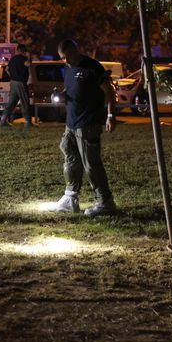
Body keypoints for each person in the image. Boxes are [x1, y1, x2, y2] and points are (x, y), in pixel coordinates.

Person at [49, 39, 117, 217]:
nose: (65, 61)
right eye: (62, 59)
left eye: (66, 57)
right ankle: (70, 198)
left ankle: (105, 201)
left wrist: (110, 116)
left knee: (91, 163)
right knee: (70, 158)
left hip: (88, 123)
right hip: (71, 123)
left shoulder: (92, 67)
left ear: (74, 51)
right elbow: (72, 90)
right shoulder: (68, 69)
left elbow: (109, 92)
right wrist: (62, 96)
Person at [0, 43, 33, 128]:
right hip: (20, 82)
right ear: (23, 51)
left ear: (17, 50)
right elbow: (28, 64)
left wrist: (12, 76)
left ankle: (3, 120)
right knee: (25, 101)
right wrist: (29, 57)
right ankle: (28, 122)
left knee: (11, 102)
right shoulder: (23, 59)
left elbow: (7, 69)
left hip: (13, 82)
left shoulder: (13, 59)